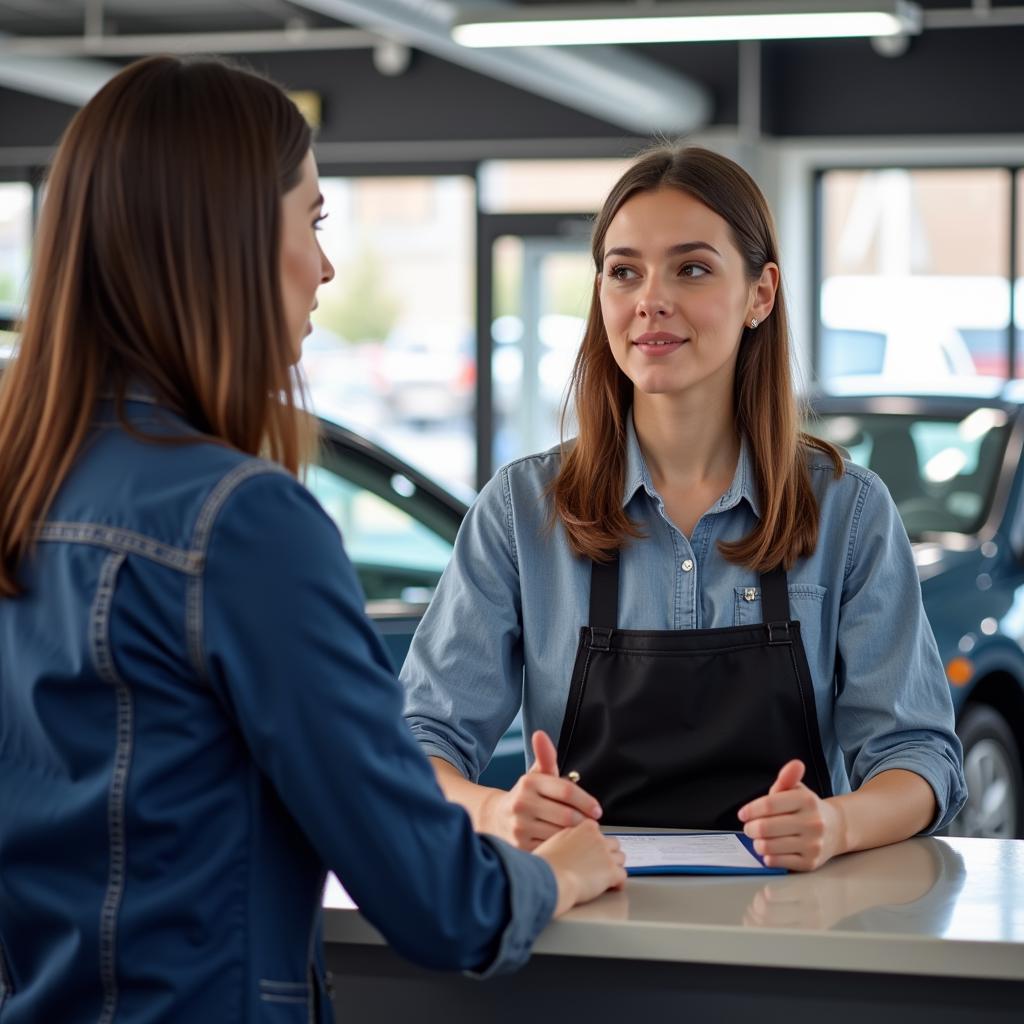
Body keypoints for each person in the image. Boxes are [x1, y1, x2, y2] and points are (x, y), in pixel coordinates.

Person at [0, 56, 625, 1024]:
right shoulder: (238, 520)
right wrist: (561, 874)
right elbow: (438, 898)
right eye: (314, 220)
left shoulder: (24, 482)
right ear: (230, 238)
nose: (326, 266)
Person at [402, 145, 967, 871]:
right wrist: (495, 808)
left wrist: (836, 824)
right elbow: (417, 740)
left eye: (691, 269)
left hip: (800, 935)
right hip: (585, 927)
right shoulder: (520, 510)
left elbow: (920, 758)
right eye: (624, 271)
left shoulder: (847, 512)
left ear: (761, 295)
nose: (650, 300)